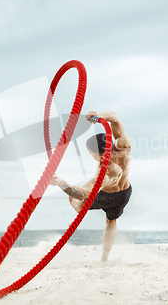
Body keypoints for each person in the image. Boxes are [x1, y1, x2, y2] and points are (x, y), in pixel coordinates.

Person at [49, 111, 132, 262]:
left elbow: (84, 194)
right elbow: (114, 118)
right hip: (125, 193)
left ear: (99, 155)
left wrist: (60, 182)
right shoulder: (123, 146)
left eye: (90, 153)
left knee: (75, 201)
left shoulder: (104, 173)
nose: (90, 155)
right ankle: (104, 258)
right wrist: (98, 117)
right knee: (111, 220)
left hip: (107, 194)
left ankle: (104, 258)